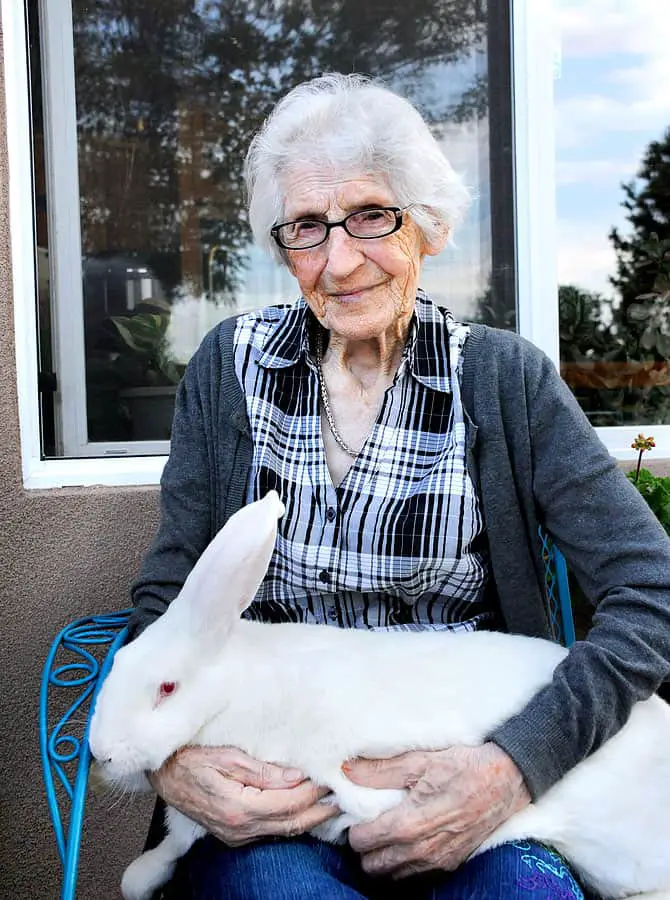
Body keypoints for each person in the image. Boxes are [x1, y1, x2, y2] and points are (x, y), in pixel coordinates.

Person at [128, 73, 670, 900]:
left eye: (371, 216)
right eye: (308, 226)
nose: (339, 261)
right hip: (276, 799)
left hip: (471, 794)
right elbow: (173, 600)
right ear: (282, 246)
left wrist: (514, 767)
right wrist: (174, 764)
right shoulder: (229, 372)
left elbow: (651, 588)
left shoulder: (502, 380)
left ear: (428, 227)